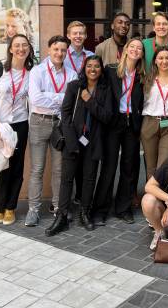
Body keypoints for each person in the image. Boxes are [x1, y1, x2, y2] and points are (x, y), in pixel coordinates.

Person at [45, 56, 113, 235]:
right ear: (84, 68)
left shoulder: (105, 89)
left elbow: (107, 116)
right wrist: (70, 139)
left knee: (89, 178)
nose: (93, 69)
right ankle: (62, 216)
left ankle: (85, 213)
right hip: (73, 140)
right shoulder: (74, 87)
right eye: (89, 66)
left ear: (101, 70)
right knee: (67, 179)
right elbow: (65, 114)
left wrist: (89, 101)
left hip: (94, 142)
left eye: (97, 66)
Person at [25, 35, 78, 227]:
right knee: (37, 169)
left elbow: (72, 101)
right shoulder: (37, 72)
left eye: (63, 50)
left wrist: (53, 99)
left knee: (58, 170)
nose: (59, 53)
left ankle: (58, 207)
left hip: (60, 125)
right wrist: (60, 99)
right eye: (56, 49)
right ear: (49, 50)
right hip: (39, 122)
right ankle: (33, 210)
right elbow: (35, 99)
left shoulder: (71, 74)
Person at [93, 38, 145, 225]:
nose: (135, 50)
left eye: (139, 48)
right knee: (109, 166)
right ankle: (100, 209)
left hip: (132, 123)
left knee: (129, 167)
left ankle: (123, 208)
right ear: (125, 50)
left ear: (141, 54)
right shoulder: (111, 70)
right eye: (132, 47)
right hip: (114, 122)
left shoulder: (141, 75)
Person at [0, 34, 35, 225]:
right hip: (1, 125)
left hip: (21, 125)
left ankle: (10, 207)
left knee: (17, 167)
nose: (21, 49)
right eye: (17, 45)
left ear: (29, 49)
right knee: (1, 166)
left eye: (24, 45)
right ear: (11, 49)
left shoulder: (31, 73)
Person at [141, 46, 168, 180]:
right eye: (160, 58)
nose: (164, 61)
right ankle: (152, 198)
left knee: (164, 165)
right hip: (150, 123)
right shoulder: (148, 79)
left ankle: (161, 197)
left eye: (167, 58)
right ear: (155, 60)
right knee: (151, 167)